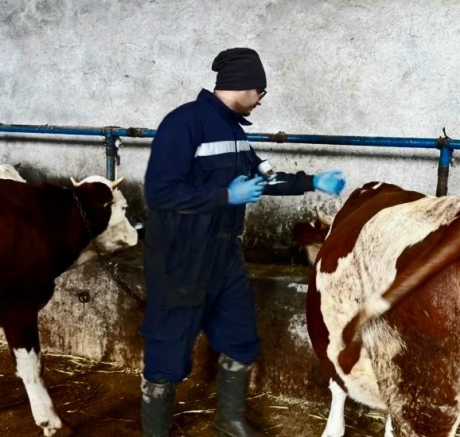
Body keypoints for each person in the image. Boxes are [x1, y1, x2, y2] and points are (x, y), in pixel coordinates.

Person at [140, 47, 346, 437]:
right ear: (245, 87)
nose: (262, 100)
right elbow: (159, 193)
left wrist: (310, 182)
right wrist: (224, 198)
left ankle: (229, 420)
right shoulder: (183, 124)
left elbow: (261, 177)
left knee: (240, 338)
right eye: (261, 92)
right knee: (167, 355)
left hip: (225, 255)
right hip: (180, 259)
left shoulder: (235, 132)